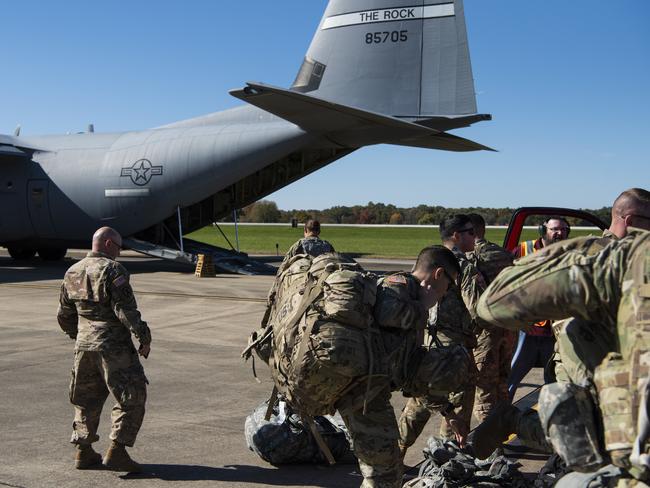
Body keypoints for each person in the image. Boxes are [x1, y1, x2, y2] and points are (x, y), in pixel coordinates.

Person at [260, 246, 472, 487]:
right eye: (449, 285)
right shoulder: (401, 284)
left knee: (383, 472)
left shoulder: (405, 293)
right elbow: (387, 312)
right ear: (438, 274)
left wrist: (447, 411)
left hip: (360, 385)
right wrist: (420, 308)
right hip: (363, 392)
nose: (446, 294)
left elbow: (411, 369)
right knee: (384, 474)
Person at [472, 227, 650, 487]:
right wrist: (574, 254)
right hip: (575, 361)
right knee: (585, 437)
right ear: (632, 221)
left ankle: (513, 420)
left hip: (602, 384)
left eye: (563, 231)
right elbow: (494, 302)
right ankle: (513, 420)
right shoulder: (624, 259)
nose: (559, 233)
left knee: (584, 439)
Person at [57, 227, 151, 472]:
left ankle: (83, 451)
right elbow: (125, 309)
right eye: (119, 247)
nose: (119, 252)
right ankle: (117, 451)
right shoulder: (113, 270)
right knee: (132, 396)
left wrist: (79, 336)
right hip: (113, 348)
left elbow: (64, 314)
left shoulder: (72, 271)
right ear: (109, 244)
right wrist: (143, 335)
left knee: (86, 400)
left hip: (84, 346)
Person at [398, 215, 481, 458]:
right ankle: (450, 458)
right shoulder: (463, 266)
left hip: (428, 341)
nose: (475, 237)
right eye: (470, 232)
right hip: (453, 348)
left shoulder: (429, 259)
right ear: (456, 235)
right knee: (456, 407)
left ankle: (397, 452)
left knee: (419, 402)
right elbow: (476, 307)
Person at [507, 216, 571, 400]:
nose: (559, 233)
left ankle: (552, 418)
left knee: (555, 378)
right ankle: (500, 418)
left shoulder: (569, 252)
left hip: (554, 329)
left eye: (564, 230)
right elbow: (505, 278)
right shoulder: (524, 249)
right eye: (555, 229)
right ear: (543, 231)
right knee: (511, 376)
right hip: (526, 328)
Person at [465, 213, 515, 422]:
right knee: (503, 383)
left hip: (485, 332)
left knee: (484, 389)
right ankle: (503, 428)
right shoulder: (503, 254)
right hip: (508, 328)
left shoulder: (470, 258)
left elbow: (471, 304)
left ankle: (490, 447)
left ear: (471, 232)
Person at [260, 219, 335, 328]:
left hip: (301, 286)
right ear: (319, 231)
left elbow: (283, 268)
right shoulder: (327, 246)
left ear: (305, 230)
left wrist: (273, 293)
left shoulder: (299, 245)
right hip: (323, 285)